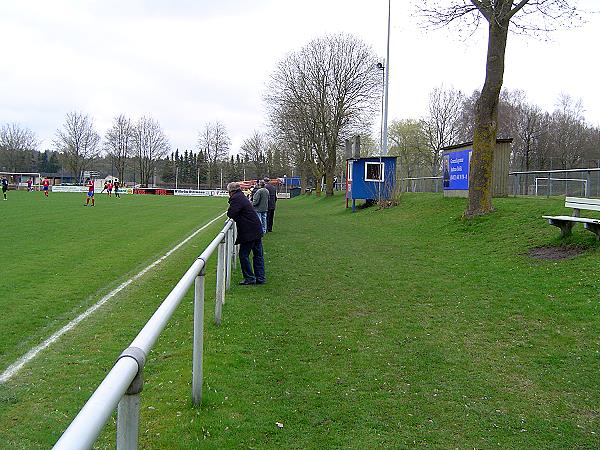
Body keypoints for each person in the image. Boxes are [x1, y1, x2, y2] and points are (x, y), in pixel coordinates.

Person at [226, 182, 266, 285]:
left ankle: (249, 278)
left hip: (249, 231)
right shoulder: (241, 196)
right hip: (256, 229)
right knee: (258, 255)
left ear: (231, 191)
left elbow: (231, 213)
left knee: (243, 254)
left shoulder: (236, 198)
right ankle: (260, 277)